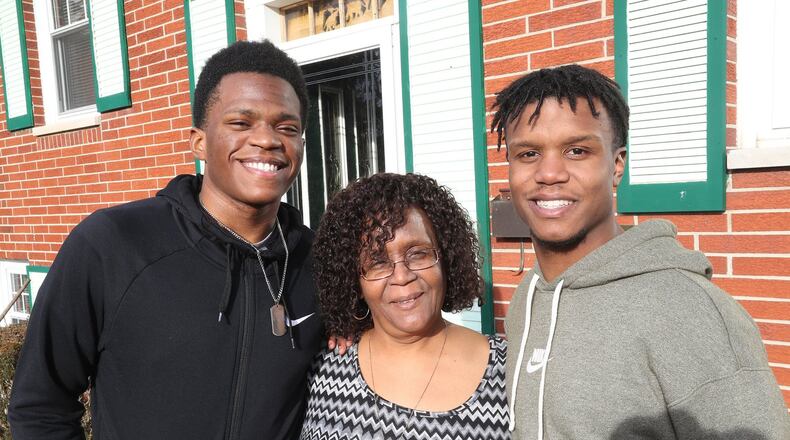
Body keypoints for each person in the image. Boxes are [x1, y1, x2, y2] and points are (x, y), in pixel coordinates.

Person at [9, 40, 323, 439]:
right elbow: (39, 405)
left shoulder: (317, 263)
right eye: (241, 123)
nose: (267, 140)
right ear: (199, 141)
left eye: (287, 127)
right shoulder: (112, 245)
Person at [491, 64, 789, 439]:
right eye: (529, 154)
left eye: (577, 150)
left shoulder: (687, 310)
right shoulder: (527, 298)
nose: (550, 173)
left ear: (617, 165)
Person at [300, 173, 510, 439]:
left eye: (418, 254)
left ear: (445, 259)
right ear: (353, 280)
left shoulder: (510, 372)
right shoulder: (321, 369)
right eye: (377, 262)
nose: (402, 276)